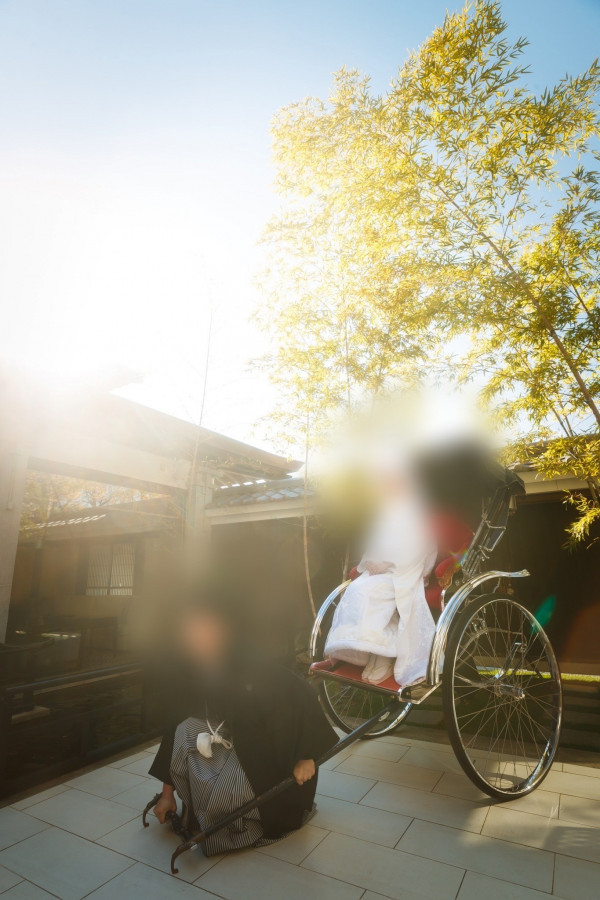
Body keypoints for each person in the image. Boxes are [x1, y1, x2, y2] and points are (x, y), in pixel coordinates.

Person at [148, 584, 338, 856]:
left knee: (225, 798)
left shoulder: (249, 660)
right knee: (185, 727)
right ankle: (208, 805)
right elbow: (173, 727)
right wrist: (167, 795)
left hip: (262, 759)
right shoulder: (188, 667)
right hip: (226, 742)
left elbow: (298, 693)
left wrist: (306, 756)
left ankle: (235, 813)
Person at [325, 459, 436, 686]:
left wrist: (389, 564)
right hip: (383, 570)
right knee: (356, 589)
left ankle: (385, 653)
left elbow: (421, 544)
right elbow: (374, 544)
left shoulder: (415, 509)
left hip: (404, 569)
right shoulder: (386, 511)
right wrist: (372, 562)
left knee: (371, 592)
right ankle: (372, 651)